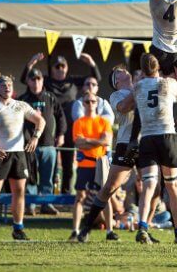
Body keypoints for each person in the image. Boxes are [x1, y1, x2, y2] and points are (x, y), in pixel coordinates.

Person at [130, 53, 177, 244]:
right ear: (158, 67)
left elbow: (130, 104)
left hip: (148, 138)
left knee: (148, 185)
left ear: (142, 70)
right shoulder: (168, 84)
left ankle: (142, 226)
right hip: (167, 136)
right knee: (172, 186)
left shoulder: (137, 87)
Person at [0, 76, 46, 241]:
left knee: (20, 192)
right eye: (3, 85)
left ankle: (18, 228)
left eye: (9, 84)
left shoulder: (20, 105)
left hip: (18, 154)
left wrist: (35, 138)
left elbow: (40, 121)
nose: (7, 87)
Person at [21, 52, 101, 195]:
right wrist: (31, 63)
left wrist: (92, 63)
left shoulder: (72, 81)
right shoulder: (46, 82)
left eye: (62, 66)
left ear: (67, 67)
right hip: (49, 131)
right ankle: (47, 196)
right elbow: (26, 79)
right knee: (48, 166)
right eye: (56, 67)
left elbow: (94, 80)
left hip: (68, 127)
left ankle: (65, 191)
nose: (59, 69)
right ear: (52, 69)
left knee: (68, 163)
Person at [78, 66, 140, 243]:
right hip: (125, 144)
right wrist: (140, 87)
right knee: (109, 188)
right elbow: (125, 107)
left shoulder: (141, 86)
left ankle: (144, 228)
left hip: (146, 141)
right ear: (116, 81)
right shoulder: (116, 96)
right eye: (119, 72)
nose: (125, 71)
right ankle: (87, 227)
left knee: (154, 187)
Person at [18, 68, 66, 216]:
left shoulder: (50, 97)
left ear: (42, 80)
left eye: (39, 79)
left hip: (48, 144)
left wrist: (61, 134)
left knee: (47, 178)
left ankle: (46, 204)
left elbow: (61, 117)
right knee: (31, 176)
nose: (36, 82)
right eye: (33, 79)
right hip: (29, 145)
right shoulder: (23, 99)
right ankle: (30, 205)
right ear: (28, 81)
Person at [70, 90, 116, 241]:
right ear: (83, 104)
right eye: (87, 102)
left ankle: (110, 231)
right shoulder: (79, 122)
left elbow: (106, 142)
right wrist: (97, 141)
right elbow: (78, 142)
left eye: (93, 101)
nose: (90, 104)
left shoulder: (104, 122)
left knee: (105, 197)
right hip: (84, 165)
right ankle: (75, 230)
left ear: (97, 103)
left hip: (100, 164)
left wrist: (88, 141)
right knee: (80, 197)